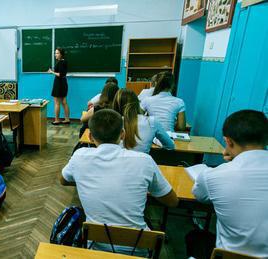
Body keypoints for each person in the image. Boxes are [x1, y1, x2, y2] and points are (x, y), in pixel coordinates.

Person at [61, 109, 179, 255]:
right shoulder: (144, 161)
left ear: (90, 137)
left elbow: (63, 180)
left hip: (95, 248)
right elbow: (172, 201)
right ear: (123, 134)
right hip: (138, 249)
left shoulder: (80, 156)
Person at [192, 110, 268, 257]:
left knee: (196, 238)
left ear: (228, 141)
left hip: (229, 256)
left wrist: (230, 163)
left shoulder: (213, 176)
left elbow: (200, 196)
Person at [112, 89, 174, 153]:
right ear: (137, 103)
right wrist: (154, 140)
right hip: (143, 161)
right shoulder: (152, 122)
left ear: (115, 105)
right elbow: (170, 146)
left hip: (116, 162)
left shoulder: (112, 123)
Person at [49, 48, 70, 125]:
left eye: (57, 53)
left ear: (61, 54)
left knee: (57, 103)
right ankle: (67, 119)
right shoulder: (64, 61)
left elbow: (60, 74)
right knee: (64, 102)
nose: (55, 55)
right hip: (63, 83)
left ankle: (57, 120)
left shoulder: (61, 62)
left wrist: (52, 72)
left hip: (59, 83)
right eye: (55, 53)